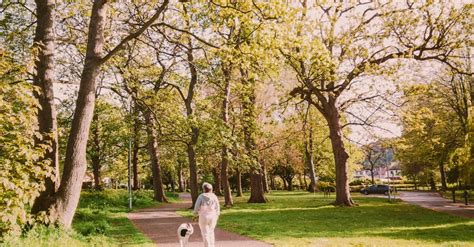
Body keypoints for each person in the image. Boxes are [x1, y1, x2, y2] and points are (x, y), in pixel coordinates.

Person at [193, 182, 220, 247]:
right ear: (211, 189)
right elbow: (217, 206)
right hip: (213, 216)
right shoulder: (214, 196)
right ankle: (212, 245)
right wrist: (217, 214)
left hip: (203, 216)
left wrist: (195, 215)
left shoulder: (201, 196)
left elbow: (196, 207)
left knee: (205, 233)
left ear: (203, 189)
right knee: (211, 231)